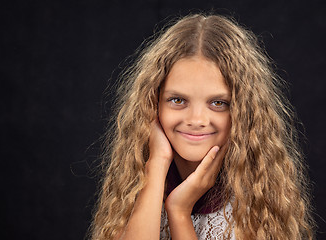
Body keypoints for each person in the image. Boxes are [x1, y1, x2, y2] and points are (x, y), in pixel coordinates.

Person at [90, 13, 314, 239]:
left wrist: (179, 212)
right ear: (152, 104)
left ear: (242, 112)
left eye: (218, 103)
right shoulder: (135, 184)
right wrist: (156, 165)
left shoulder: (257, 199)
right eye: (178, 100)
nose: (196, 120)